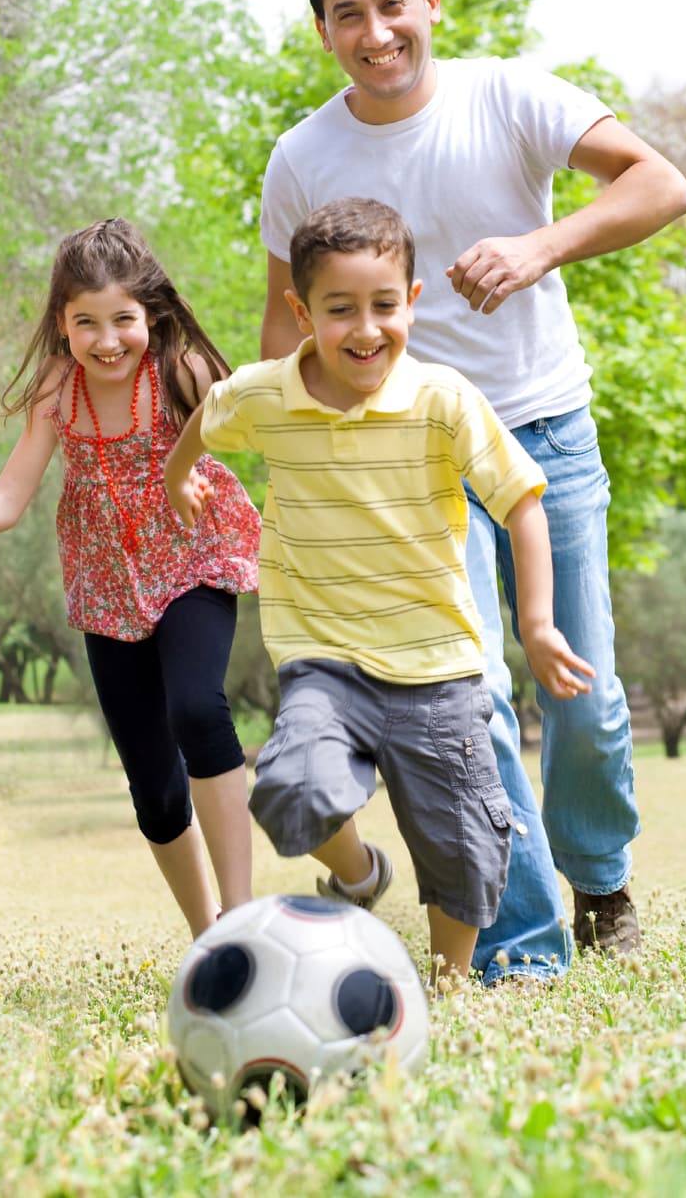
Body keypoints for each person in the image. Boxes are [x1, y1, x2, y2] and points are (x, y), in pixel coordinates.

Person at [257, 0, 686, 976]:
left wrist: (541, 246)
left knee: (582, 692)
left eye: (390, 4)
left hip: (544, 432)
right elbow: (283, 327)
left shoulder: (509, 95)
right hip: (408, 463)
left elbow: (661, 184)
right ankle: (522, 940)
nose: (374, 33)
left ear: (430, 1)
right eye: (347, 15)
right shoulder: (302, 156)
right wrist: (297, 460)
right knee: (470, 701)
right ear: (322, 29)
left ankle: (600, 880)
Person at [166, 197, 593, 984]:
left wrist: (535, 625)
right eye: (340, 309)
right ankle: (360, 873)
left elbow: (522, 502)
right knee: (293, 791)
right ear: (302, 313)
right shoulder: (268, 395)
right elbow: (209, 414)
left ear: (413, 302)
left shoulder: (443, 400)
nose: (366, 330)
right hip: (324, 661)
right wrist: (178, 473)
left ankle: (449, 987)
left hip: (439, 667)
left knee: (464, 849)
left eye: (384, 306)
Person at [0, 219, 260, 936]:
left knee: (197, 710)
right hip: (106, 590)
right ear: (61, 323)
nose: (108, 341)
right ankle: (208, 937)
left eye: (123, 320)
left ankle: (243, 918)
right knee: (154, 788)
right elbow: (8, 496)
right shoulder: (57, 388)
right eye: (87, 323)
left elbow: (267, 423)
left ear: (150, 315)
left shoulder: (182, 371)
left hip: (192, 564)